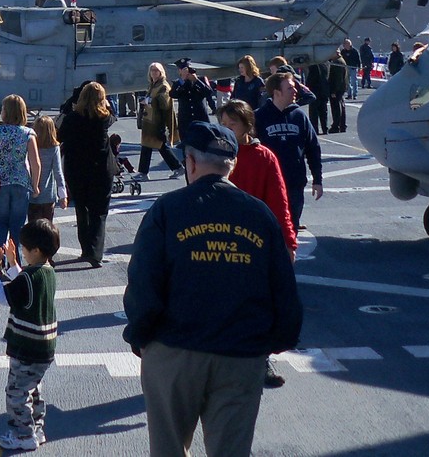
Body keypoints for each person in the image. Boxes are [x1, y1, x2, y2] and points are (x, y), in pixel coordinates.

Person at [123, 121, 303, 457]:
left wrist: (141, 335)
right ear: (232, 165)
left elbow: (144, 282)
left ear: (190, 162)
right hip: (239, 353)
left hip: (175, 350)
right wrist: (273, 343)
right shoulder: (259, 215)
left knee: (168, 449)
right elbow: (283, 288)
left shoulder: (167, 210)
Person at [218, 99, 299, 389]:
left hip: (254, 243)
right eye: (223, 125)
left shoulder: (263, 157)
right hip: (219, 240)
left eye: (233, 124)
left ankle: (260, 360)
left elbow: (279, 202)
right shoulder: (215, 155)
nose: (227, 130)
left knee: (258, 305)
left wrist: (288, 241)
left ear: (247, 126)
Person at [0, 219, 61, 452]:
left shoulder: (29, 277)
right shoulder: (46, 272)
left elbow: (3, 295)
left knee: (16, 392)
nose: (22, 252)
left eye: (24, 249)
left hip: (27, 346)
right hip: (44, 346)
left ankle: (23, 434)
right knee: (33, 387)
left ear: (35, 250)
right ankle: (36, 427)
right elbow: (24, 284)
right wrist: (12, 263)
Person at [58, 82, 117, 268]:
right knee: (99, 212)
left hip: (77, 168)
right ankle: (95, 252)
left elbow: (60, 136)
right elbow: (113, 113)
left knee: (81, 209)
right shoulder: (105, 118)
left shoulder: (72, 118)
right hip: (101, 169)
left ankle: (85, 248)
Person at [255, 71, 323, 228]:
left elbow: (313, 148)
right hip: (269, 186)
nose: (295, 92)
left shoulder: (299, 116)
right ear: (277, 92)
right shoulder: (259, 118)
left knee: (292, 229)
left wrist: (317, 180)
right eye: (290, 89)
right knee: (269, 229)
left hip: (294, 185)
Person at [0, 95, 42, 251]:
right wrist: (35, 185)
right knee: (18, 224)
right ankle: (16, 263)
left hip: (1, 181)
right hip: (21, 181)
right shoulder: (28, 133)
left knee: (1, 221)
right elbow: (35, 162)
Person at [138, 62, 183, 179]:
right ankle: (177, 167)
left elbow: (164, 102)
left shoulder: (163, 86)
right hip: (149, 120)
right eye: (152, 70)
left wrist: (148, 101)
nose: (153, 72)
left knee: (156, 146)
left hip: (157, 121)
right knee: (155, 146)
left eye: (156, 70)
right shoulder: (153, 85)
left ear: (161, 72)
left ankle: (144, 173)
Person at [28, 115, 68, 223]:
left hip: (32, 194)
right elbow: (58, 172)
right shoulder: (54, 147)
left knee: (33, 226)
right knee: (47, 226)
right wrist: (63, 195)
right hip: (49, 195)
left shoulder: (31, 145)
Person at [170, 58, 216, 143]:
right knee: (187, 147)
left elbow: (209, 92)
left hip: (201, 118)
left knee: (204, 144)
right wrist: (182, 81)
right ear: (179, 71)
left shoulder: (201, 80)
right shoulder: (177, 83)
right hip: (185, 121)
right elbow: (173, 94)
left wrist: (196, 81)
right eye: (183, 70)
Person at [327, 49, 349, 133]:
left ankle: (337, 125)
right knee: (341, 106)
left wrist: (333, 91)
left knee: (336, 107)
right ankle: (342, 125)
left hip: (337, 89)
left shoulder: (337, 62)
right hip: (341, 88)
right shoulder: (340, 61)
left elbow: (337, 79)